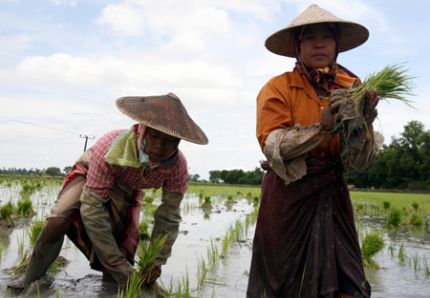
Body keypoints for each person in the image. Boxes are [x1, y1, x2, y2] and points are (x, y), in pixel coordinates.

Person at [8, 92, 208, 292]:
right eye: (154, 135)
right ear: (141, 130)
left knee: (121, 257)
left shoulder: (177, 167)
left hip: (128, 188)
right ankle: (31, 278)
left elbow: (169, 218)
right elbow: (92, 208)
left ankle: (114, 287)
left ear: (179, 143)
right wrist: (116, 264)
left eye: (170, 141)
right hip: (90, 174)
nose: (159, 146)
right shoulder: (110, 147)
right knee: (59, 219)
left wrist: (155, 262)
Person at [247, 4, 381, 298]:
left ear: (336, 45)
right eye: (310, 38)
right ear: (298, 46)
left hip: (333, 194)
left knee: (348, 284)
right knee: (282, 283)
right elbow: (272, 145)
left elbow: (359, 162)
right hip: (288, 196)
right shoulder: (278, 87)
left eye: (326, 37)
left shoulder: (353, 89)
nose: (319, 43)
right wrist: (322, 129)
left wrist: (365, 124)